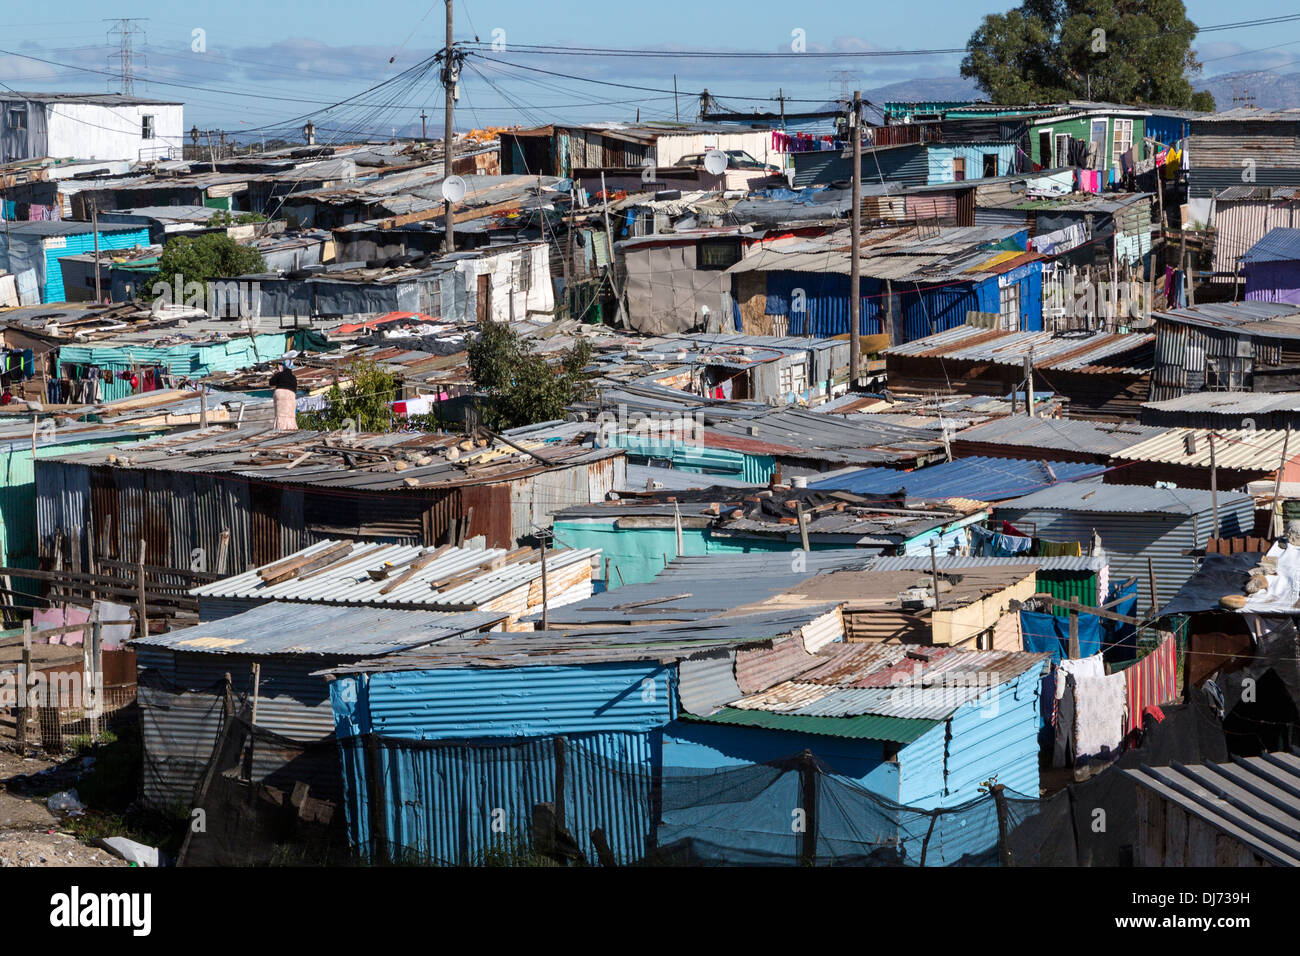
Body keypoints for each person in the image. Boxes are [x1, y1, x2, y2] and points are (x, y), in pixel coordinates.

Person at [270, 360, 298, 431]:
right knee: (290, 414)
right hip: (291, 395)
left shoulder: (280, 374)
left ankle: (280, 428)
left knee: (280, 414)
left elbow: (271, 382)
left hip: (280, 393)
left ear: (284, 367)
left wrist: (275, 374)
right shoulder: (293, 378)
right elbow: (295, 389)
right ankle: (291, 428)